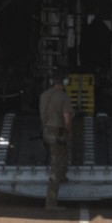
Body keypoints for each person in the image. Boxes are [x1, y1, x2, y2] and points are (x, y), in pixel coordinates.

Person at [40, 79, 73, 210]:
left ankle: (62, 176)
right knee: (55, 167)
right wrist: (68, 132)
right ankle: (51, 203)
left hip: (46, 130)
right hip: (57, 132)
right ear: (61, 85)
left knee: (62, 154)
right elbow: (67, 119)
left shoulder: (43, 95)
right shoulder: (64, 97)